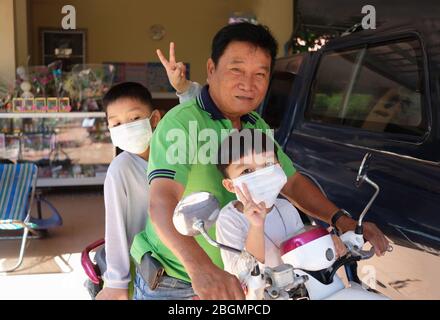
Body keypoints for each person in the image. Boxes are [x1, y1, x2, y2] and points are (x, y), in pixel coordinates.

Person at [131, 22, 389, 300]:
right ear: (211, 69)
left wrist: (342, 221)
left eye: (260, 74)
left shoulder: (255, 125)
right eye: (236, 69)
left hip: (250, 280)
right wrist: (201, 268)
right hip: (184, 282)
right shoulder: (182, 124)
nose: (248, 83)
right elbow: (162, 201)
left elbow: (291, 181)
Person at [215, 129, 347, 282]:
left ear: (279, 167)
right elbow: (242, 274)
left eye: (268, 164)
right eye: (247, 171)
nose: (261, 175)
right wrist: (256, 226)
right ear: (230, 186)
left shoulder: (285, 206)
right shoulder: (229, 219)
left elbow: (299, 239)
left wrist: (325, 238)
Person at [95, 82, 161, 300]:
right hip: (144, 270)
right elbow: (115, 230)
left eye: (134, 119)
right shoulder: (120, 169)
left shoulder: (172, 159)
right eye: (117, 123)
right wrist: (116, 282)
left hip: (177, 262)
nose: (126, 127)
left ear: (154, 119)